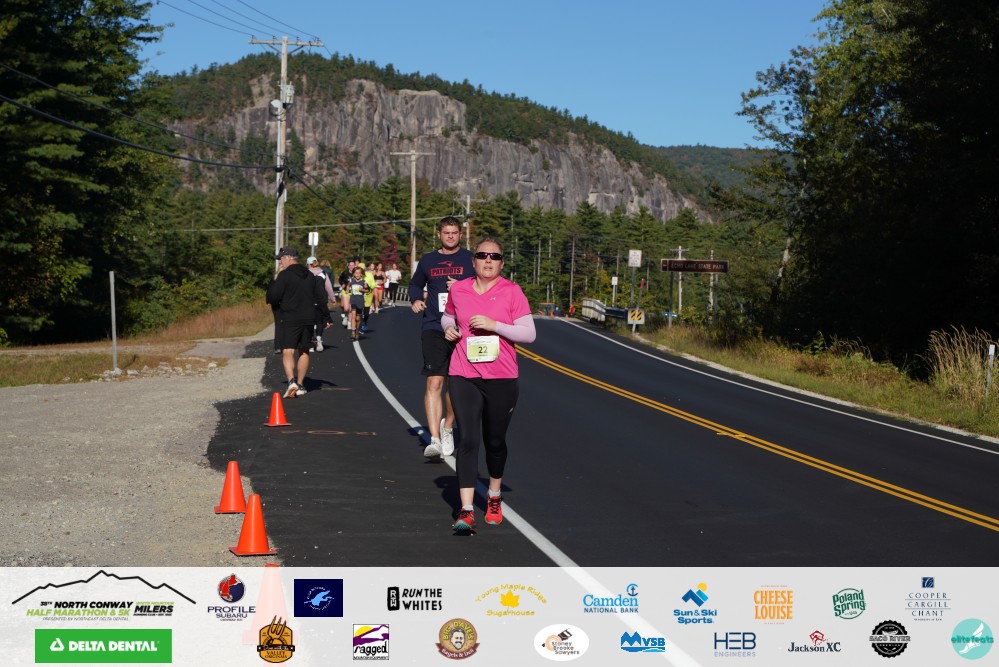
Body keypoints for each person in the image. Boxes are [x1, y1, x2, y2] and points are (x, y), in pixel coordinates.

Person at [441, 238, 535, 531]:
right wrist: (449, 329)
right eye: (482, 255)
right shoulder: (459, 289)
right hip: (463, 373)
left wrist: (496, 326)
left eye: (494, 256)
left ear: (501, 263)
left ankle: (494, 495)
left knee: (494, 441)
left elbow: (529, 334)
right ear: (474, 261)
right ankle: (466, 510)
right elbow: (447, 316)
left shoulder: (512, 291)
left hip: (502, 376)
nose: (488, 260)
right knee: (468, 439)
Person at [409, 216, 474, 459]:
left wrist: (462, 285)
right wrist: (416, 299)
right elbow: (415, 284)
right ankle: (434, 439)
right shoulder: (428, 260)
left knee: (455, 385)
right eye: (446, 233)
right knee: (434, 382)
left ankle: (448, 426)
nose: (450, 236)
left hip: (462, 328)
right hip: (434, 326)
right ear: (439, 235)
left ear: (460, 235)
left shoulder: (470, 259)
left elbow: (483, 285)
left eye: (454, 233)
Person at [266, 247, 332, 398]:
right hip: (308, 317)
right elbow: (320, 297)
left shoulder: (285, 275)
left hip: (291, 317)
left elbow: (274, 296)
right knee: (304, 350)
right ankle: (301, 384)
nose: (280, 262)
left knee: (288, 350)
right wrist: (326, 317)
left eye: (281, 259)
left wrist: (273, 283)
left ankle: (291, 382)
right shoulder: (309, 275)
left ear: (289, 257)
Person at [306, 256, 336, 352]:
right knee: (319, 321)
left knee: (309, 322)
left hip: (309, 300)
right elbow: (328, 287)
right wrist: (333, 298)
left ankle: (310, 344)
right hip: (321, 300)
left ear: (309, 264)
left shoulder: (306, 273)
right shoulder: (323, 273)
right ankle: (319, 339)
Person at [347, 265, 369, 341]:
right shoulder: (351, 280)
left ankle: (357, 331)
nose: (357, 275)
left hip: (360, 301)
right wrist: (347, 290)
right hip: (353, 300)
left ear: (361, 274)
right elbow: (348, 286)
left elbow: (367, 290)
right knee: (353, 316)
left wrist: (362, 290)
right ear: (353, 274)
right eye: (356, 273)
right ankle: (353, 332)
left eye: (359, 273)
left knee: (358, 318)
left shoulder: (364, 282)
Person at [338, 259, 357, 328]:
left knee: (351, 308)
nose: (351, 266)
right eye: (350, 265)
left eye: (353, 265)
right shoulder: (345, 273)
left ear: (355, 266)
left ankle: (349, 322)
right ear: (348, 266)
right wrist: (342, 284)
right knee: (346, 308)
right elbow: (340, 279)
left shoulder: (357, 273)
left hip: (353, 292)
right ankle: (346, 316)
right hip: (345, 291)